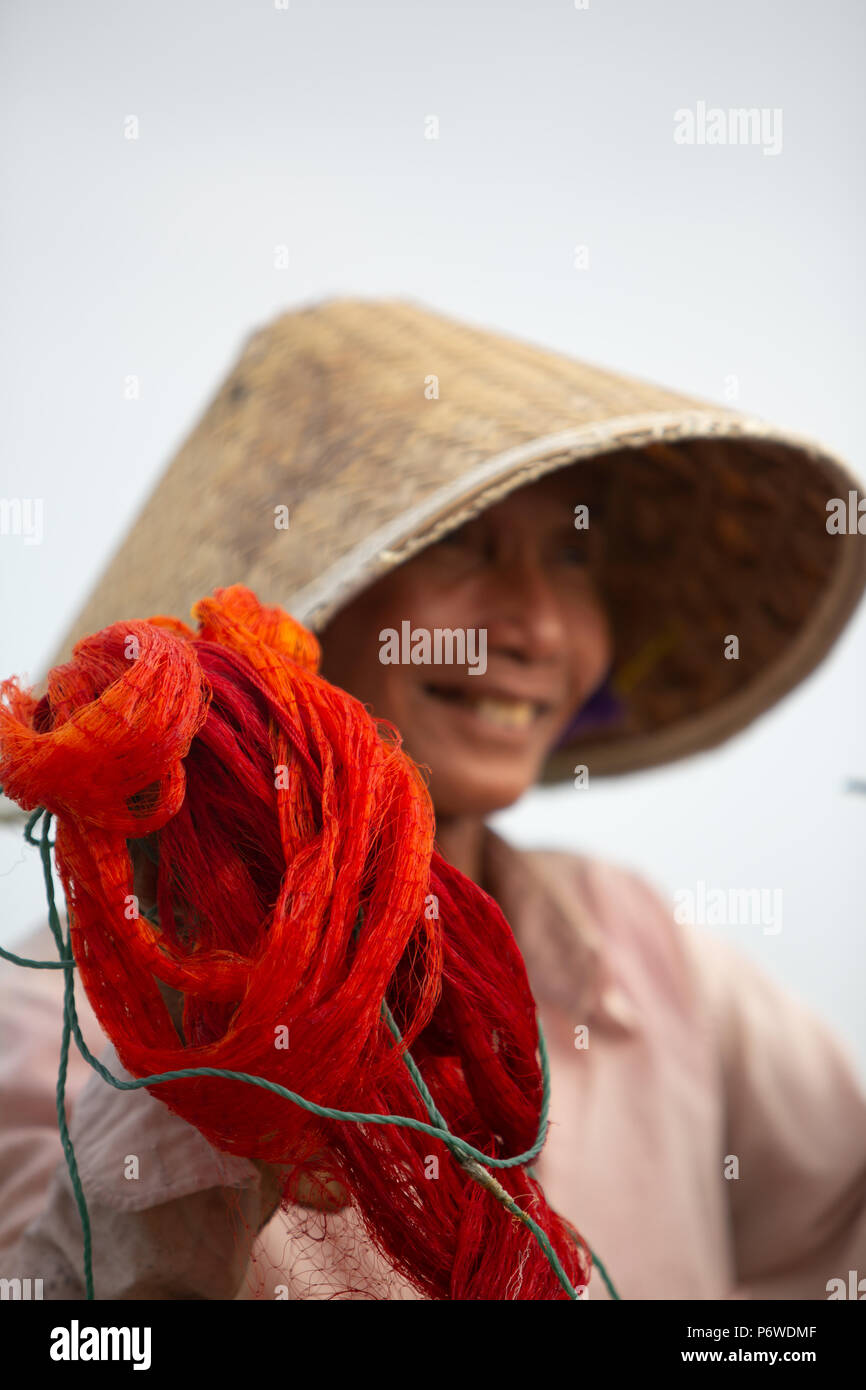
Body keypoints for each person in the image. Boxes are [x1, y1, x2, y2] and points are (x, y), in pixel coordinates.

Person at [1, 296, 865, 1300]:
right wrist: (229, 1032)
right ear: (291, 607)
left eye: (573, 555)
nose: (538, 623)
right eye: (462, 544)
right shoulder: (55, 1032)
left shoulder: (638, 951)